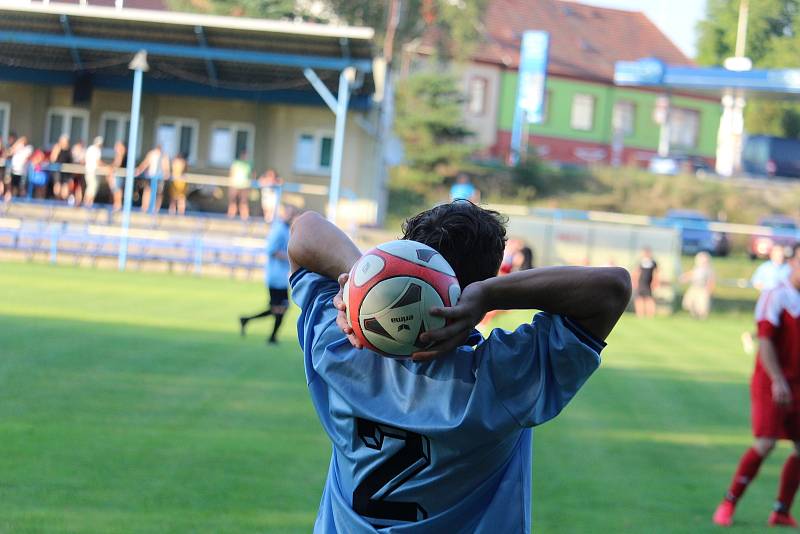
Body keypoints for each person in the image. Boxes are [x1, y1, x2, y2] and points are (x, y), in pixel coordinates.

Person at [287, 201, 631, 532]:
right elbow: (612, 288)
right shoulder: (499, 378)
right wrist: (491, 295)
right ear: (484, 279)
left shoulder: (339, 347)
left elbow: (304, 230)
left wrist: (370, 283)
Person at [713, 244, 800, 528]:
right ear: (794, 262)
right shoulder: (776, 295)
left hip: (797, 383)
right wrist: (777, 379)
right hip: (771, 382)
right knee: (766, 443)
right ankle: (728, 503)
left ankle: (780, 511)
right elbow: (764, 342)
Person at [239, 203, 297, 343]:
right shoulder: (279, 230)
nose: (292, 216)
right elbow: (272, 250)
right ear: (284, 214)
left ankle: (248, 321)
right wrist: (292, 257)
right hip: (275, 277)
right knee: (281, 307)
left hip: (280, 277)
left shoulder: (285, 229)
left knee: (278, 308)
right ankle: (271, 337)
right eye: (290, 213)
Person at [680, 251, 715, 320]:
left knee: (702, 306)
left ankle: (702, 319)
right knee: (688, 303)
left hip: (702, 289)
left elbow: (711, 280)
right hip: (694, 287)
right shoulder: (697, 268)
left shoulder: (709, 270)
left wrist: (709, 290)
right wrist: (684, 278)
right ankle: (694, 316)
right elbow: (691, 275)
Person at [135, 144, 170, 213]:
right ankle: (144, 207)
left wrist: (166, 173)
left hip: (160, 177)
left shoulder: (164, 155)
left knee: (159, 193)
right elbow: (145, 163)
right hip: (151, 176)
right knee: (147, 191)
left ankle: (156, 209)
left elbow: (166, 167)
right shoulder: (151, 154)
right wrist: (139, 170)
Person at [632, 246, 659, 318]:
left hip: (648, 284)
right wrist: (635, 282)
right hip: (640, 283)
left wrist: (655, 282)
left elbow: (656, 273)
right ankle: (640, 314)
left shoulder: (653, 262)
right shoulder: (640, 262)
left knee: (649, 299)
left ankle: (650, 315)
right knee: (639, 299)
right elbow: (636, 272)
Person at [228, 151, 252, 220]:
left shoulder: (248, 165)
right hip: (235, 185)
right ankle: (231, 216)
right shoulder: (236, 163)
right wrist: (231, 184)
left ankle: (244, 217)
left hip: (244, 186)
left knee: (244, 202)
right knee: (233, 201)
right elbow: (231, 173)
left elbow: (250, 175)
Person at [49, 134, 72, 200]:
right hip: (57, 170)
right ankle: (57, 200)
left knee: (65, 190)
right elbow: (53, 159)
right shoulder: (57, 147)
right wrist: (57, 151)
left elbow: (70, 161)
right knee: (57, 188)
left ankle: (63, 202)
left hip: (66, 171)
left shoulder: (69, 150)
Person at [106, 141, 127, 211]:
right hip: (118, 174)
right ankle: (117, 205)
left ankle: (118, 205)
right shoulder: (121, 154)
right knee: (116, 190)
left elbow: (117, 164)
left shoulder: (120, 154)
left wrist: (111, 168)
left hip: (118, 174)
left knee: (117, 190)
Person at [83, 136, 104, 207]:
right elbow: (98, 162)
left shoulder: (89, 149)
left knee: (89, 187)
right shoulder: (97, 150)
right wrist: (106, 167)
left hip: (88, 171)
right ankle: (88, 204)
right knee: (92, 188)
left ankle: (87, 203)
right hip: (93, 172)